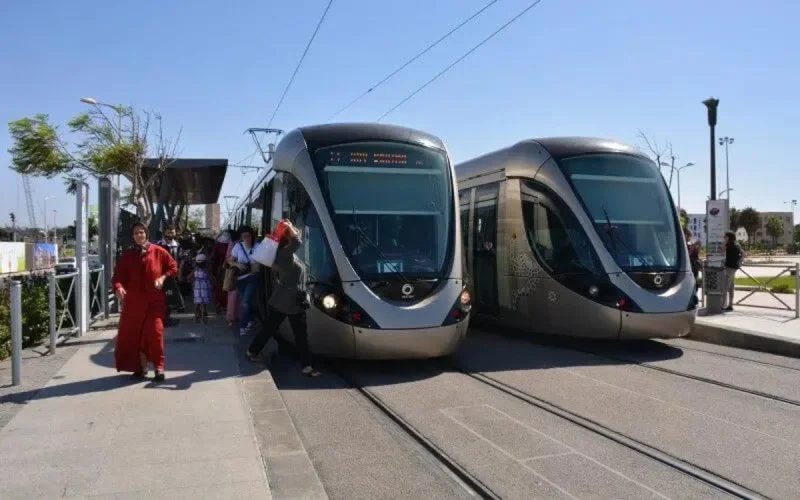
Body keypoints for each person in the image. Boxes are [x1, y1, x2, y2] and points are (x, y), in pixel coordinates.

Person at [246, 220, 320, 377]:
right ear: (288, 238)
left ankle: (252, 351)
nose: (297, 234)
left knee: (276, 330)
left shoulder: (286, 254)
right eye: (293, 233)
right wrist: (289, 228)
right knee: (296, 334)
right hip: (288, 300)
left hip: (289, 299)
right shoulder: (284, 254)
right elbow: (297, 241)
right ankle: (306, 366)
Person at [111, 222, 177, 381]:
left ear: (146, 234)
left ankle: (159, 367)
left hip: (154, 301)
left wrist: (162, 277)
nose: (139, 235)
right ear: (133, 236)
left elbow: (173, 267)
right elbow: (118, 276)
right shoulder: (128, 255)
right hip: (133, 303)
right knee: (135, 336)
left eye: (141, 232)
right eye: (136, 233)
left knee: (155, 333)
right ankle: (140, 367)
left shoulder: (159, 251)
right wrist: (118, 287)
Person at [229, 226, 260, 336]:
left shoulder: (257, 246)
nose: (247, 238)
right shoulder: (238, 246)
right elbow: (230, 261)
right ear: (241, 238)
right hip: (240, 278)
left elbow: (263, 260)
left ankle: (243, 326)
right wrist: (238, 264)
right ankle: (251, 319)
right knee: (246, 302)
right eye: (244, 237)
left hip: (252, 277)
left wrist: (257, 265)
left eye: (249, 236)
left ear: (252, 236)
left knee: (245, 303)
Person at [723, 230, 745, 311]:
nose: (724, 238)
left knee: (725, 287)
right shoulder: (737, 244)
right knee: (731, 287)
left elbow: (721, 251)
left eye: (725, 237)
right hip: (734, 268)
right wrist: (740, 263)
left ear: (728, 237)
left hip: (729, 268)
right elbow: (743, 254)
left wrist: (723, 244)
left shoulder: (728, 244)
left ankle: (723, 305)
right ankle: (730, 305)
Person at [191, 253, 213, 324]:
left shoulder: (195, 270)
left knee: (197, 302)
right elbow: (211, 278)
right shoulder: (206, 270)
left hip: (197, 288)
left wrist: (194, 281)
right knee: (203, 303)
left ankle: (195, 316)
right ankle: (203, 318)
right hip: (205, 288)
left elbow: (189, 277)